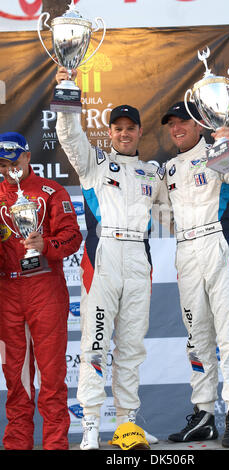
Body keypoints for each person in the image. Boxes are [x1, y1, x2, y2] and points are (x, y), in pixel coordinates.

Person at [55, 67, 171, 449]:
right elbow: (70, 136)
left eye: (130, 128)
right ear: (111, 132)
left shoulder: (154, 174)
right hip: (103, 257)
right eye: (117, 128)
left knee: (132, 348)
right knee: (95, 345)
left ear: (140, 132)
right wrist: (67, 89)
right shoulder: (95, 166)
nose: (124, 133)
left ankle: (126, 426)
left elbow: (179, 210)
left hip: (139, 257)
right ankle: (90, 425)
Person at [161, 101, 229, 448]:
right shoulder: (169, 169)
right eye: (172, 124)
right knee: (197, 339)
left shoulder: (220, 151)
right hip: (186, 252)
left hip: (220, 246)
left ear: (200, 125)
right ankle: (204, 414)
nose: (177, 129)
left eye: (184, 123)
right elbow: (160, 214)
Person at [0, 132, 82, 450]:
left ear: (27, 157)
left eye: (13, 162)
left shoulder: (51, 191)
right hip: (7, 290)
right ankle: (18, 443)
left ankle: (55, 444)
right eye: (2, 165)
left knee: (51, 376)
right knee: (15, 378)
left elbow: (72, 237)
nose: (8, 170)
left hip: (45, 286)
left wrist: (44, 245)